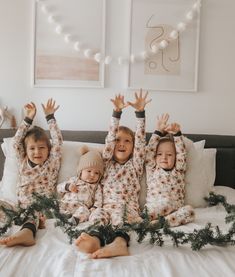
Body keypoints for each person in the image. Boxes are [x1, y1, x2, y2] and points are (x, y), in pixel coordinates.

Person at [75, 89, 151, 258]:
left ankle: (119, 244)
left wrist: (140, 114)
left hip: (125, 208)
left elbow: (140, 141)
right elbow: (109, 139)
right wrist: (116, 113)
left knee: (119, 219)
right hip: (105, 206)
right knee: (97, 216)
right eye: (118, 140)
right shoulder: (106, 162)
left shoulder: (135, 164)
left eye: (127, 141)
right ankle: (95, 240)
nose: (121, 144)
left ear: (133, 148)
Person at [0, 98, 63, 247]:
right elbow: (15, 142)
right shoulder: (22, 161)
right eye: (32, 148)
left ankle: (27, 234)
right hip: (18, 207)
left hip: (41, 208)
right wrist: (28, 118)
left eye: (42, 148)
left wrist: (50, 117)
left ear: (49, 150)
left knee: (33, 214)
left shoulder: (51, 163)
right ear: (26, 151)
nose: (37, 152)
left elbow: (58, 142)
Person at [145, 113, 195, 227]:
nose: (164, 157)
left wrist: (177, 135)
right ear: (155, 156)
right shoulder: (152, 169)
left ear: (175, 157)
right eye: (160, 154)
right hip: (154, 210)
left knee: (190, 211)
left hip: (174, 212)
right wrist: (158, 131)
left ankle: (160, 224)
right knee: (156, 209)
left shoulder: (179, 170)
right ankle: (150, 221)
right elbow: (150, 150)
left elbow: (181, 153)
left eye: (169, 154)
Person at [57, 145, 105, 224]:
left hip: (80, 207)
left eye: (96, 173)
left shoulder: (97, 187)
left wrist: (94, 208)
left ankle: (74, 221)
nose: (92, 175)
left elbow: (98, 200)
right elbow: (59, 188)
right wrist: (68, 187)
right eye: (89, 171)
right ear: (81, 171)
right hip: (66, 203)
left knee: (85, 212)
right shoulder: (74, 180)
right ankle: (62, 216)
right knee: (56, 204)